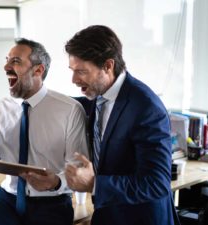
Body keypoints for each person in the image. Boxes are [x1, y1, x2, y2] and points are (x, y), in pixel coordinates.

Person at [64, 25, 180, 225]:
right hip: (106, 214)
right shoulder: (95, 97)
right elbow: (63, 104)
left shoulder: (146, 107)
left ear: (108, 66)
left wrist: (95, 184)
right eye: (72, 71)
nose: (74, 79)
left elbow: (157, 183)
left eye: (81, 71)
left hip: (141, 219)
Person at [0, 38, 89, 225]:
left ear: (38, 70)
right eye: (7, 60)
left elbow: (79, 168)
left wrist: (55, 182)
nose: (6, 66)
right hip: (8, 198)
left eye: (15, 61)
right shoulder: (0, 108)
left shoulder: (70, 109)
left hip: (52, 202)